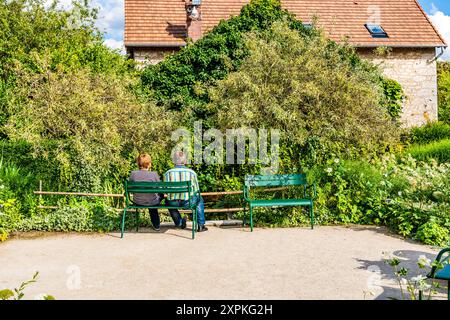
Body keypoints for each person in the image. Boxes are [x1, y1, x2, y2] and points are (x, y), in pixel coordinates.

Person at [164, 151, 208, 232]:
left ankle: (180, 223)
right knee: (199, 200)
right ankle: (201, 225)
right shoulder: (192, 173)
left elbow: (166, 189)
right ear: (185, 161)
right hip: (188, 202)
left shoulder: (168, 173)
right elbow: (196, 190)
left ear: (173, 161)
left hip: (173, 203)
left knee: (168, 202)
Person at [129, 153, 162, 231]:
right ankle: (156, 225)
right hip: (152, 201)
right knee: (155, 199)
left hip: (138, 201)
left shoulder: (133, 174)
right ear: (149, 164)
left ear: (138, 163)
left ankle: (155, 225)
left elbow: (130, 187)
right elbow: (160, 188)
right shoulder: (154, 174)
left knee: (151, 198)